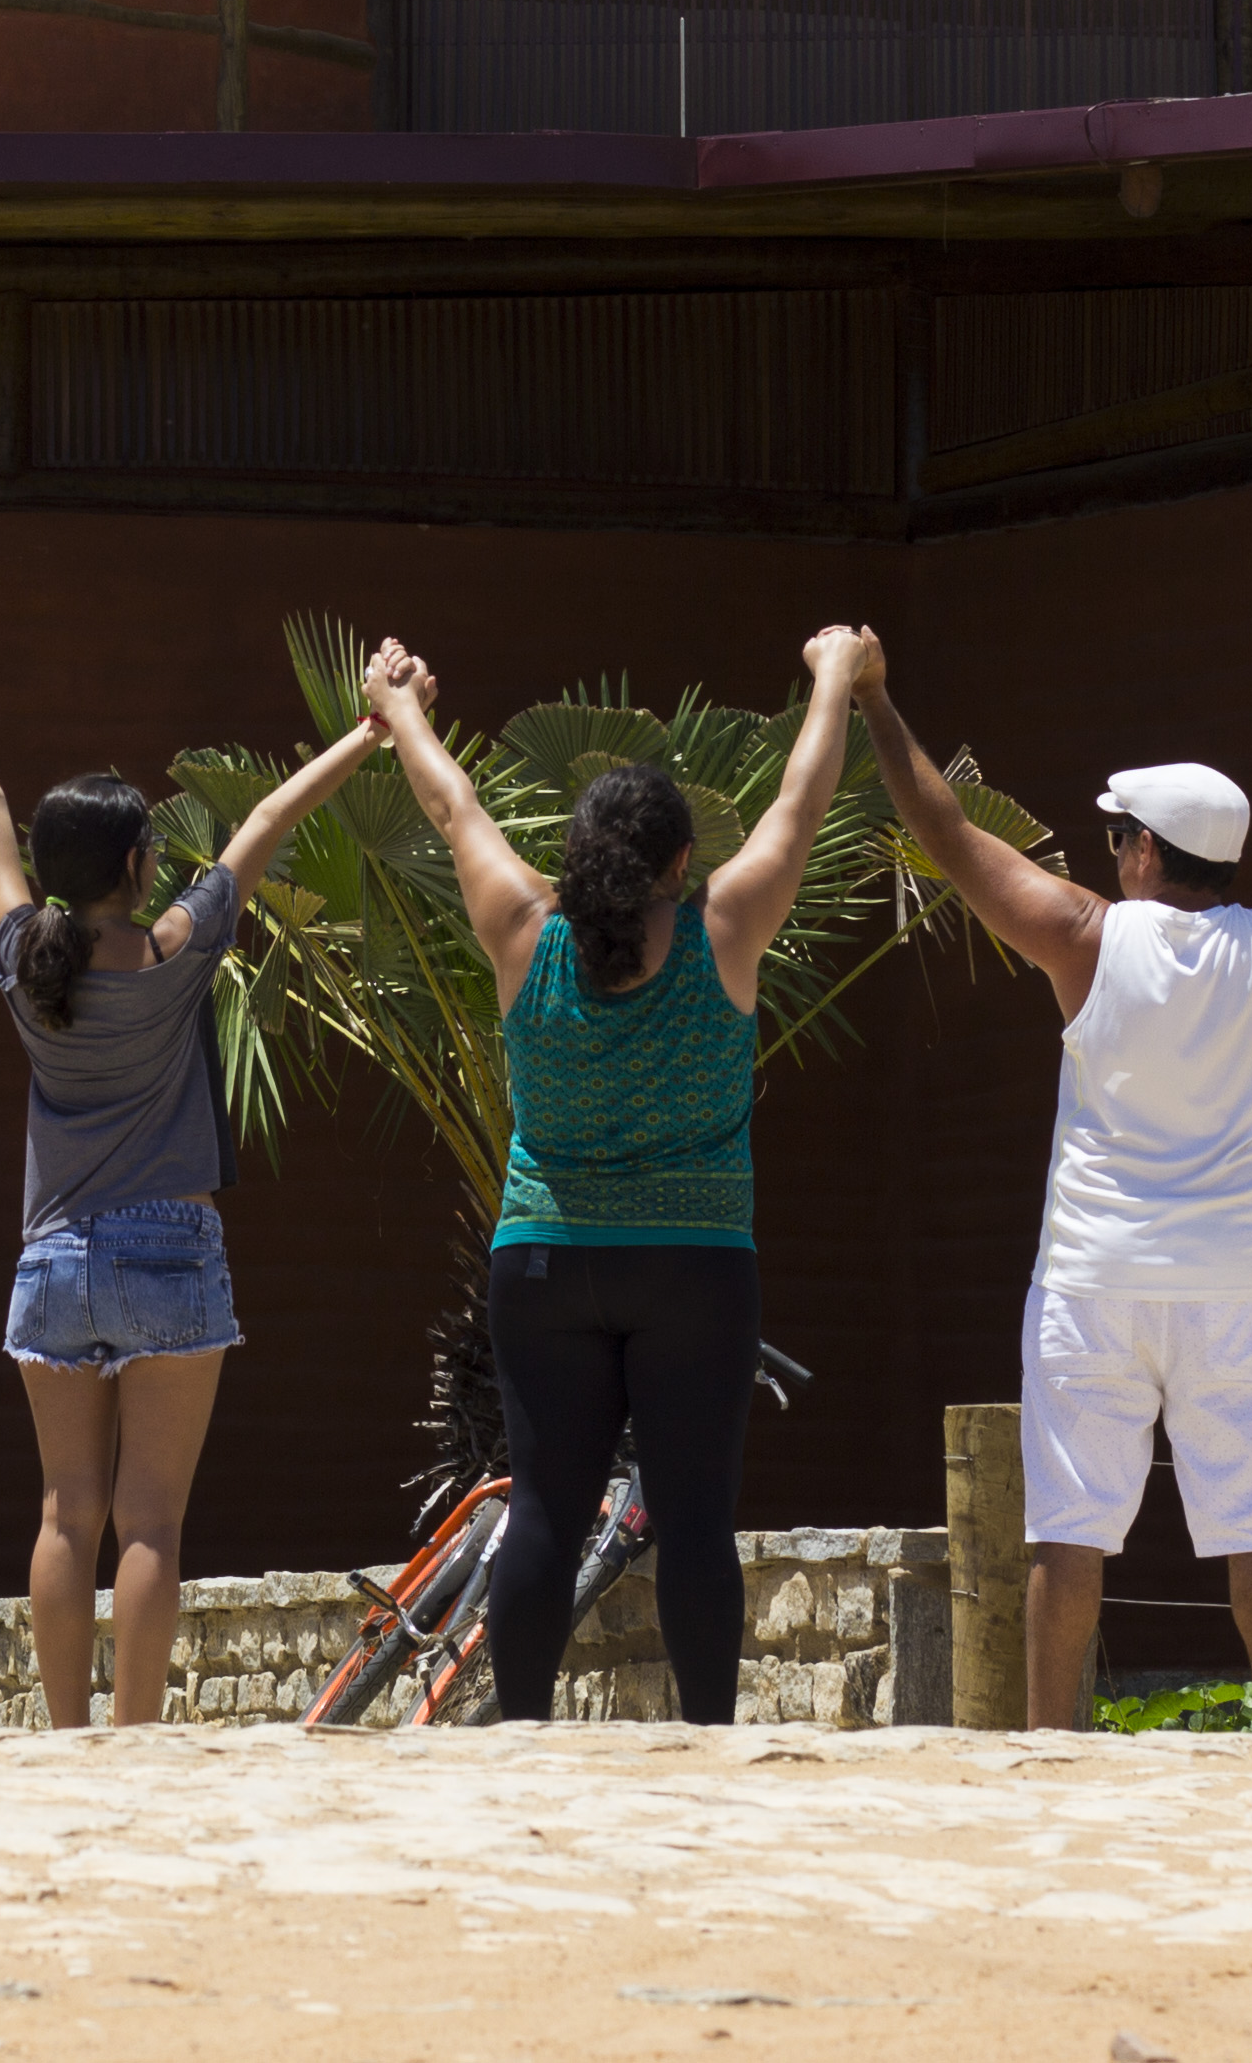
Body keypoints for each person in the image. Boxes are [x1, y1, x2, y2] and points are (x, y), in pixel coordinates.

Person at [863, 598, 1252, 1735]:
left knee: (1069, 1539)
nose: (1113, 856)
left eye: (1117, 840)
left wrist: (872, 696)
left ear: (1145, 851)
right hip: (1234, 1289)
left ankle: (1053, 1749)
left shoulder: (1087, 937)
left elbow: (947, 834)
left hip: (1092, 1284)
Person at [355, 626, 872, 1729]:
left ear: (577, 855)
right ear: (680, 862)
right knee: (694, 1520)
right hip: (694, 1269)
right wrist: (833, 676)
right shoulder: (723, 930)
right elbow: (800, 802)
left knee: (546, 1509)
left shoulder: (521, 929)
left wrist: (399, 709)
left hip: (545, 1264)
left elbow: (453, 808)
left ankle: (524, 1733)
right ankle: (709, 1738)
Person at [0, 653, 383, 1729]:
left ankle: (66, 1736)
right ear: (136, 864)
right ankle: (132, 1737)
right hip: (170, 1248)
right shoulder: (177, 950)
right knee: (151, 1522)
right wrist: (370, 733)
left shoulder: (20, 962)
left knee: (64, 1512)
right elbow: (266, 817)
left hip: (53, 1257)